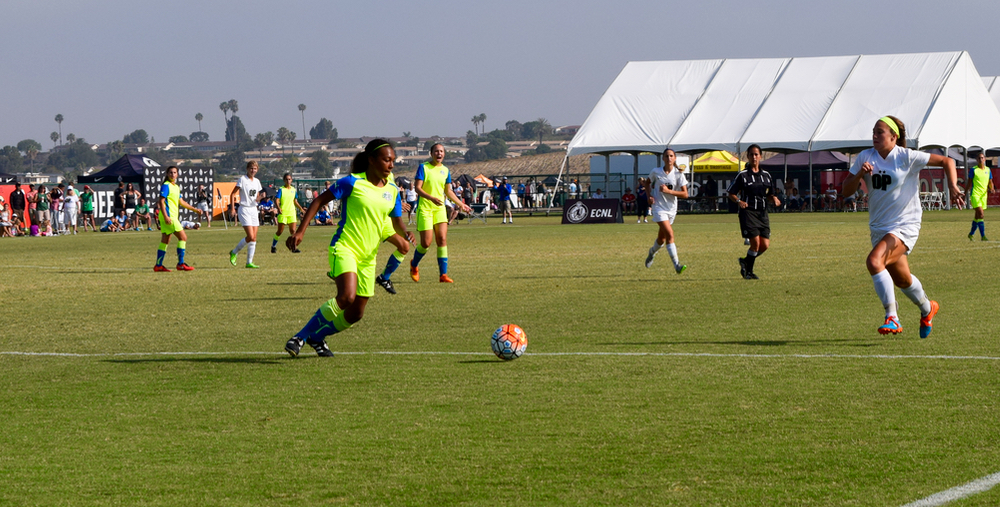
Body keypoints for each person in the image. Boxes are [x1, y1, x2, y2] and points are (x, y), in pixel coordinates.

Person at [284, 139, 412, 358]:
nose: (391, 165)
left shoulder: (392, 189)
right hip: (344, 248)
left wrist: (405, 232)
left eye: (393, 160)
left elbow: (396, 220)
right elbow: (318, 202)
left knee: (356, 313)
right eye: (386, 160)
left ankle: (318, 337)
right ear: (371, 160)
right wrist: (301, 231)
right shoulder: (352, 182)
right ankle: (301, 337)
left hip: (368, 257)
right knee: (346, 297)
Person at [842, 115, 964, 338]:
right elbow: (845, 191)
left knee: (874, 261)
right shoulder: (865, 157)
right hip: (879, 227)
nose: (875, 136)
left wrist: (953, 186)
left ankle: (892, 317)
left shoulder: (906, 156)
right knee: (902, 279)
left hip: (904, 224)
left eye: (880, 132)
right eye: (873, 132)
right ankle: (928, 309)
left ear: (893, 137)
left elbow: (948, 161)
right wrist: (860, 173)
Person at [410, 143, 471, 283]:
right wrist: (431, 198)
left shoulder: (445, 170)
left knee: (442, 239)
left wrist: (461, 204)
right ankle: (414, 265)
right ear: (431, 153)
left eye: (442, 151)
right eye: (436, 151)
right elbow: (418, 189)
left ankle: (443, 275)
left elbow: (448, 191)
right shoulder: (423, 167)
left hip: (439, 209)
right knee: (426, 243)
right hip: (425, 208)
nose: (439, 154)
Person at [727, 144, 781, 280]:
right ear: (748, 157)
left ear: (760, 156)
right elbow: (731, 193)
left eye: (756, 154)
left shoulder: (767, 175)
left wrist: (774, 198)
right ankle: (748, 272)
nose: (754, 157)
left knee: (765, 245)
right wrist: (739, 201)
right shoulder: (743, 175)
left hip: (762, 213)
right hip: (748, 212)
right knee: (755, 244)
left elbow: (770, 193)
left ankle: (746, 261)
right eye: (751, 155)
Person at [643, 148, 689, 274]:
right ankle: (677, 265)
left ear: (674, 158)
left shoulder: (678, 174)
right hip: (658, 208)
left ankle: (652, 252)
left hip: (672, 210)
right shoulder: (656, 172)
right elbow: (647, 183)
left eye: (671, 156)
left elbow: (685, 194)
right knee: (670, 235)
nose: (669, 158)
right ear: (663, 158)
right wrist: (649, 197)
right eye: (666, 156)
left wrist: (669, 191)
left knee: (662, 239)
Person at [154, 166, 201, 272]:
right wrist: (166, 216)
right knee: (183, 237)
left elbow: (181, 202)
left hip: (171, 217)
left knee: (165, 240)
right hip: (169, 217)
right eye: (170, 172)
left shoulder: (176, 187)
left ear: (177, 174)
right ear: (167, 174)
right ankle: (180, 264)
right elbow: (161, 202)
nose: (172, 174)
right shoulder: (166, 186)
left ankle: (158, 265)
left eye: (174, 172)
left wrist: (194, 210)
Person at [229, 161, 264, 268]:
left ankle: (249, 262)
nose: (253, 170)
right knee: (250, 236)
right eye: (251, 168)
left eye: (255, 169)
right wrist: (232, 208)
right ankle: (234, 252)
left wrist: (261, 197)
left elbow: (256, 198)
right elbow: (233, 193)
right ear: (247, 169)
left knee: (254, 238)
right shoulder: (243, 179)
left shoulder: (257, 181)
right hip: (244, 209)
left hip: (254, 209)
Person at [271, 173, 306, 253]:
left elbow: (295, 201)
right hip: (283, 212)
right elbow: (277, 200)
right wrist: (278, 208)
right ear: (284, 180)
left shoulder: (293, 190)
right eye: (286, 179)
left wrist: (301, 208)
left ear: (291, 180)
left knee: (293, 231)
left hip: (292, 213)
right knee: (279, 232)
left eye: (289, 179)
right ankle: (273, 246)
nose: (288, 181)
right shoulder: (281, 189)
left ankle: (294, 248)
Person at [965, 151, 994, 241]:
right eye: (979, 158)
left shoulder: (988, 170)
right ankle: (983, 236)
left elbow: (990, 182)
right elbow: (969, 183)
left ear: (985, 159)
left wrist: (991, 188)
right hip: (975, 195)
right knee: (981, 214)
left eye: (982, 158)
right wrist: (964, 194)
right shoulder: (974, 170)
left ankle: (971, 234)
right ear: (977, 160)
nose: (981, 159)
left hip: (983, 196)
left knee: (977, 216)